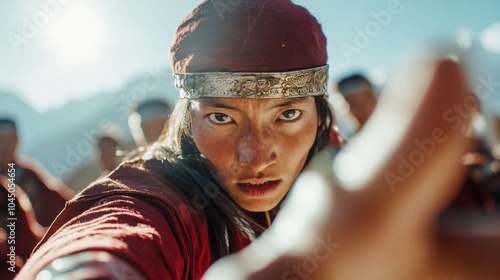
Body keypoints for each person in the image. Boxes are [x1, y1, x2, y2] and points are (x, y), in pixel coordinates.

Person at [17, 1, 334, 279]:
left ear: (320, 116)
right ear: (189, 121)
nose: (257, 156)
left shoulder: (341, 165)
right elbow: (113, 234)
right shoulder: (164, 204)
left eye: (288, 115)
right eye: (222, 118)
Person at [0, 118, 74, 228]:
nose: (6, 145)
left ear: (18, 140)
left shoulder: (29, 172)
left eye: (10, 139)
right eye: (2, 139)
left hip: (44, 237)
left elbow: (60, 199)